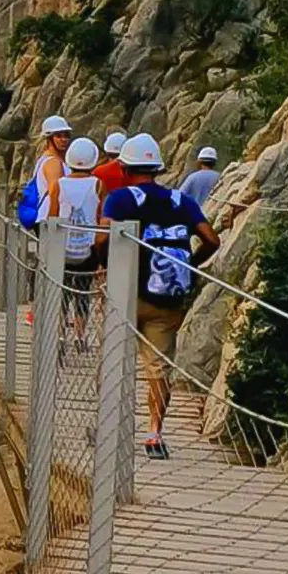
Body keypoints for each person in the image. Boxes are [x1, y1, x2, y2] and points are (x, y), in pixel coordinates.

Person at [99, 133, 221, 461]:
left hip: (125, 292)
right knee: (159, 368)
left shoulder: (120, 199)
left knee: (113, 358)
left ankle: (108, 427)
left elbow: (102, 237)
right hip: (166, 299)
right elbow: (212, 239)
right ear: (156, 168)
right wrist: (191, 264)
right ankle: (154, 433)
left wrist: (104, 262)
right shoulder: (181, 201)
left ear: (125, 168)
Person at [48, 137, 104, 351]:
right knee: (82, 294)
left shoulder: (58, 185)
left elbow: (53, 217)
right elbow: (100, 216)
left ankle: (60, 335)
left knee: (62, 294)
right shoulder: (98, 184)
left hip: (63, 248)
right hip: (88, 249)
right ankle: (80, 336)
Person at [33, 115, 73, 221]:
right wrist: (53, 221)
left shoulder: (45, 159)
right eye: (59, 136)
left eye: (66, 135)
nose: (64, 139)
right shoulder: (53, 162)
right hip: (50, 217)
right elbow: (54, 192)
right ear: (49, 138)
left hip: (45, 216)